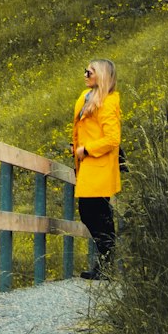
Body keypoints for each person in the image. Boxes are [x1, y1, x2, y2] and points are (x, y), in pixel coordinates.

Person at [72, 57, 121, 279]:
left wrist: (87, 149)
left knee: (95, 214)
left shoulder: (108, 102)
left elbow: (112, 139)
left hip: (98, 166)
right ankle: (106, 264)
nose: (85, 75)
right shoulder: (86, 97)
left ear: (101, 75)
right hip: (88, 166)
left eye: (89, 72)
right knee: (93, 214)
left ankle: (106, 265)